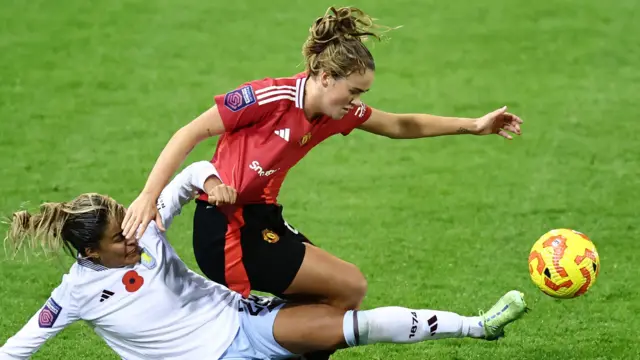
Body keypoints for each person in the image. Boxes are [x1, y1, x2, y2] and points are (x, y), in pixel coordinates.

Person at [121, 6, 523, 312]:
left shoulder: (337, 113)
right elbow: (189, 133)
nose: (357, 101)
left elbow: (400, 125)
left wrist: (473, 125)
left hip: (264, 219)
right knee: (344, 291)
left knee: (342, 294)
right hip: (226, 227)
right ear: (326, 77)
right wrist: (147, 196)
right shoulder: (269, 97)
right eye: (355, 90)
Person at [1, 161, 527, 360]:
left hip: (244, 322)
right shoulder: (74, 294)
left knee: (347, 326)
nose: (134, 238)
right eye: (121, 239)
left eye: (131, 224)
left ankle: (479, 326)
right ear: (91, 252)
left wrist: (209, 183)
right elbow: (19, 347)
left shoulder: (146, 225)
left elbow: (189, 174)